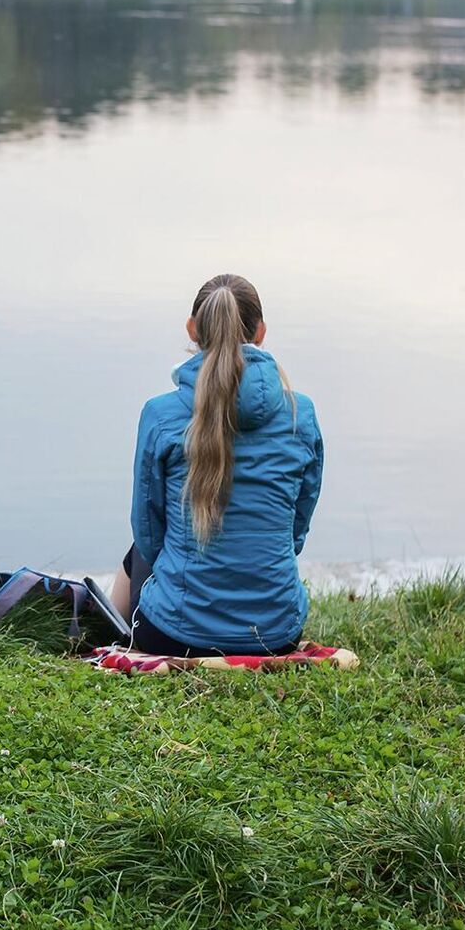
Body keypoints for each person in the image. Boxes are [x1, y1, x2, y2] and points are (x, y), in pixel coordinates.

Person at [108, 274, 323, 656]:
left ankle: (115, 636)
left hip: (175, 636)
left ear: (192, 329)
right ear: (260, 332)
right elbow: (296, 528)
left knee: (141, 546)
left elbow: (149, 532)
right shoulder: (299, 414)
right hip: (276, 633)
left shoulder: (160, 415)